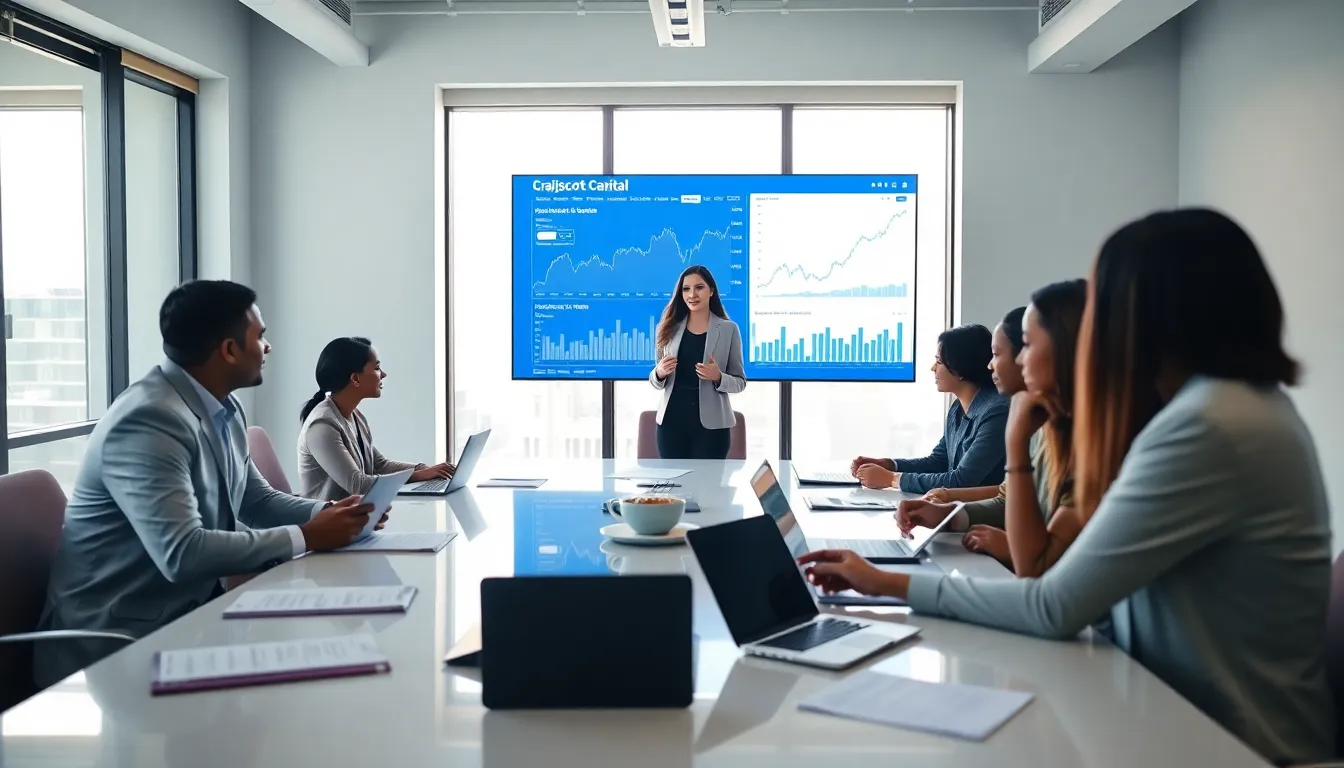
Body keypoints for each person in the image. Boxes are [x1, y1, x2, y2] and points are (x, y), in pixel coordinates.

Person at [799, 209, 1336, 764]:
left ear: (1150, 314)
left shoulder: (1207, 427)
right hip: (1168, 716)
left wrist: (883, 583)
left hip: (1226, 745)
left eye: (1106, 305)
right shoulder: (1229, 409)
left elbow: (1054, 605)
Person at [35, 281, 378, 688]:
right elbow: (182, 553)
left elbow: (256, 500)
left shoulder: (223, 405)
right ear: (229, 350)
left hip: (191, 614)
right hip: (116, 642)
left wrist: (333, 515)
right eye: (260, 336)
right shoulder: (147, 421)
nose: (268, 347)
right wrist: (307, 535)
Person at [850, 324, 1008, 493]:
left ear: (960, 368)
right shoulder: (957, 408)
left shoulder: (996, 412)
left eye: (939, 361)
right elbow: (938, 461)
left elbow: (962, 480)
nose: (933, 368)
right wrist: (890, 465)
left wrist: (891, 479)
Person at [297, 336, 453, 500]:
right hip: (326, 522)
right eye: (377, 368)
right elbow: (357, 484)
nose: (383, 374)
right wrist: (417, 475)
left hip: (356, 516)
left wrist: (424, 469)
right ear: (355, 378)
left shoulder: (355, 415)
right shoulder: (322, 425)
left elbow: (380, 465)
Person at [649, 265, 746, 460]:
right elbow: (655, 381)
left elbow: (740, 382)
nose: (692, 294)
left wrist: (718, 377)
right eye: (686, 289)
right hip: (671, 426)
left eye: (699, 287)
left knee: (708, 489)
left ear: (711, 291)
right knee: (674, 489)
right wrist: (659, 372)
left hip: (712, 429)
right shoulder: (667, 328)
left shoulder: (728, 330)